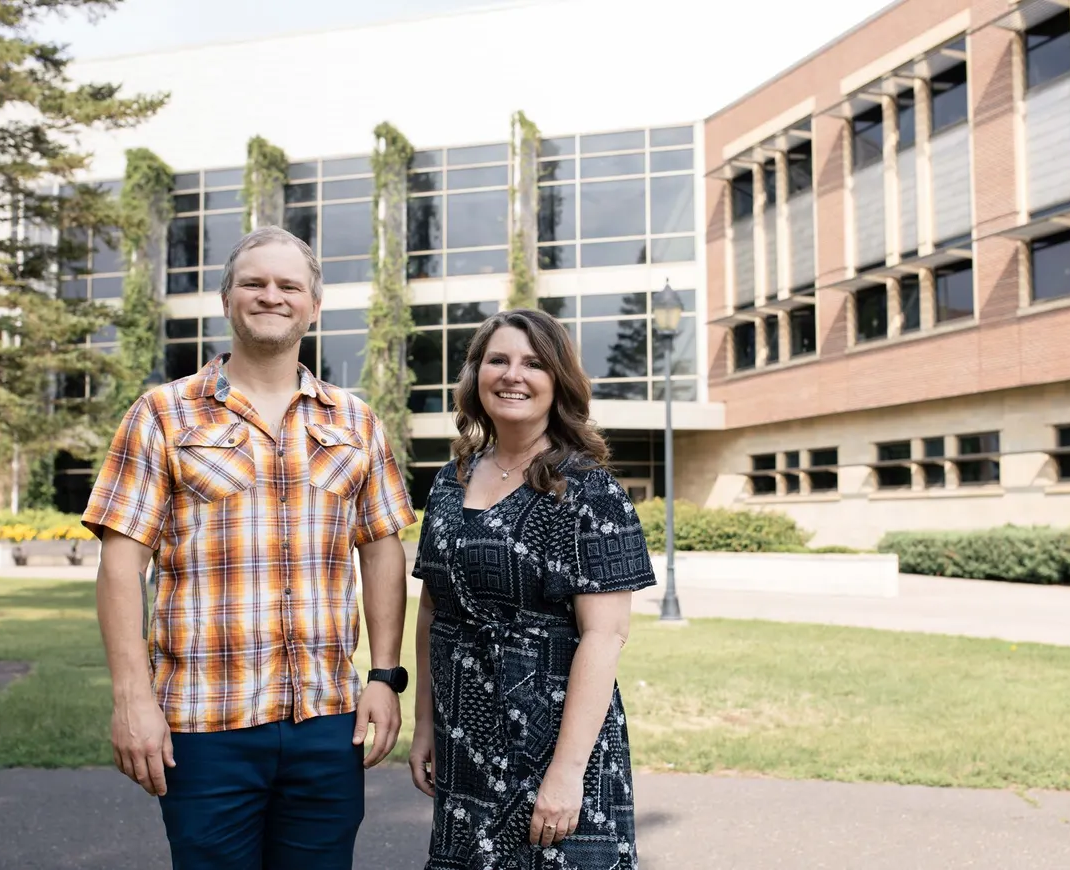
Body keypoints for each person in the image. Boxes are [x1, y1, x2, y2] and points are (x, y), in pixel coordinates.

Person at [82, 226, 415, 869]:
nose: (272, 296)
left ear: (314, 307)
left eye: (290, 285)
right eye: (254, 283)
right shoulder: (161, 414)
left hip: (328, 720)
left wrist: (383, 676)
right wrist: (131, 697)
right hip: (205, 724)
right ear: (226, 298)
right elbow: (121, 564)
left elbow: (382, 549)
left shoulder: (355, 421)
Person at [408, 307, 655, 869]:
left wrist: (567, 774)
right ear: (476, 375)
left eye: (533, 363)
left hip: (553, 741)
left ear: (558, 382)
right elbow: (431, 610)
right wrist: (425, 724)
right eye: (498, 360)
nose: (512, 375)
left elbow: (606, 635)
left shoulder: (590, 490)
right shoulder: (451, 480)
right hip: (464, 734)